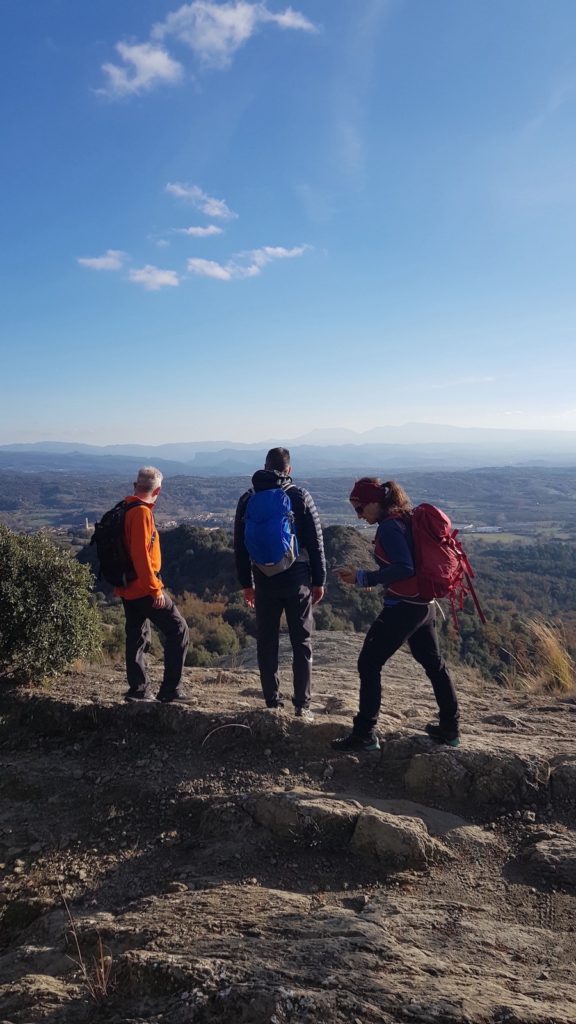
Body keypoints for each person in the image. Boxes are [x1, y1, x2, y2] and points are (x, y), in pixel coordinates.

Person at [331, 477, 460, 751]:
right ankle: (450, 729)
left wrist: (366, 577)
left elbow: (405, 567)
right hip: (423, 606)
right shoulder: (405, 518)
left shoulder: (389, 528)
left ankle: (365, 732)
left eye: (361, 507)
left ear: (376, 503)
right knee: (434, 665)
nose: (359, 514)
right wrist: (379, 580)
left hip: (404, 608)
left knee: (369, 663)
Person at [234, 447, 326, 721]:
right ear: (289, 470)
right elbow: (315, 541)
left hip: (263, 578)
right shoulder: (299, 495)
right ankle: (302, 706)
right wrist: (319, 580)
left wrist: (246, 583)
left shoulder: (248, 497)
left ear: (264, 466)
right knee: (302, 641)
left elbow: (239, 545)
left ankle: (272, 702)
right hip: (297, 578)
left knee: (267, 640)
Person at [115, 467, 190, 703]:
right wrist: (155, 589)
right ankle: (170, 691)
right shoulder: (141, 513)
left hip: (127, 586)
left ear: (134, 485)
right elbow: (141, 555)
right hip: (143, 586)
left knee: (136, 634)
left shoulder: (124, 508)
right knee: (178, 629)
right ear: (157, 490)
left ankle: (138, 689)